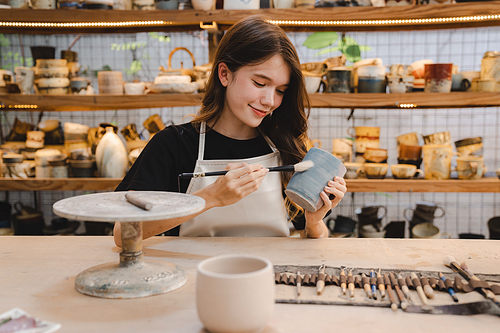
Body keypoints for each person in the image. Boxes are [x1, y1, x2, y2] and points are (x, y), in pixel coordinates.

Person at [113, 15, 347, 246]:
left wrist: (314, 221)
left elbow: (316, 238)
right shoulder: (173, 144)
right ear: (224, 74)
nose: (269, 101)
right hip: (196, 278)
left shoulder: (285, 146)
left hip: (271, 278)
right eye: (260, 83)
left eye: (281, 90)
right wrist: (211, 197)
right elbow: (123, 233)